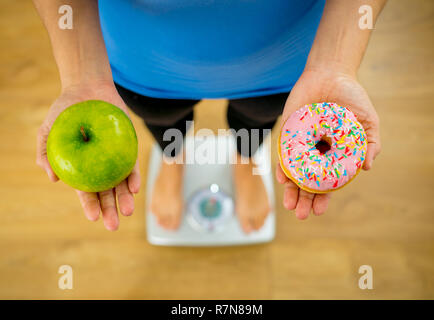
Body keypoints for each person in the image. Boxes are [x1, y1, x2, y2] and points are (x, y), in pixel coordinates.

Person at [34, 0, 384, 231]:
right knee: (160, 117)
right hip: (143, 61)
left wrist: (335, 65)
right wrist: (81, 74)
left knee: (258, 119)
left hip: (289, 65)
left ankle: (246, 159)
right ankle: (173, 157)